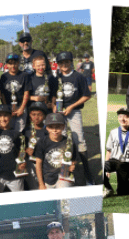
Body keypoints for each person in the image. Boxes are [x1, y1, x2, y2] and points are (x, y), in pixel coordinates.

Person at [55, 51, 93, 179]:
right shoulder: (56, 77)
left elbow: (87, 95)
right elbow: (53, 96)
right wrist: (54, 105)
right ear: (58, 64)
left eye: (67, 62)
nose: (64, 64)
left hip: (74, 111)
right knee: (62, 140)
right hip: (59, 113)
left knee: (79, 140)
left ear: (71, 62)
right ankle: (64, 170)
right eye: (61, 62)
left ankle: (87, 173)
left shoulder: (78, 77)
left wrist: (71, 106)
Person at [30, 113, 80, 189]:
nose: (55, 130)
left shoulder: (69, 142)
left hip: (63, 176)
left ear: (63, 127)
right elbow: (38, 163)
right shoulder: (42, 142)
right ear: (46, 128)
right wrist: (41, 184)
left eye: (58, 127)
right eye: (51, 127)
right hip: (48, 178)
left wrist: (73, 165)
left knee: (63, 197)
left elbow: (75, 159)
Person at [0, 106, 26, 192]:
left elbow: (22, 150)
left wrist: (21, 162)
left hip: (15, 174)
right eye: (0, 116)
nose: (3, 119)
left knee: (20, 201)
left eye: (5, 115)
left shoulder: (16, 134)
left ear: (11, 116)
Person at [103, 108, 129, 197]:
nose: (123, 119)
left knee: (122, 192)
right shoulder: (113, 132)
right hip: (113, 161)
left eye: (126, 117)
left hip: (125, 164)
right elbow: (109, 150)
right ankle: (108, 189)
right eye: (120, 116)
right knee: (99, 167)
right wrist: (106, 168)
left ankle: (128, 187)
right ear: (118, 118)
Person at [0, 53, 30, 133]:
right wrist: (7, 109)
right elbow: (2, 94)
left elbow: (26, 93)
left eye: (15, 63)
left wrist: (22, 108)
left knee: (20, 129)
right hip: (9, 106)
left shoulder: (24, 75)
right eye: (10, 63)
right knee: (8, 129)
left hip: (21, 106)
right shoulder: (4, 77)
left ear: (18, 63)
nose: (13, 66)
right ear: (6, 64)